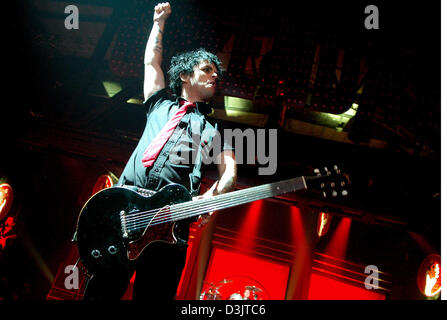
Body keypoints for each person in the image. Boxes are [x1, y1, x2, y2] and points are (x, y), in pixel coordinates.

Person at [83, 2, 237, 300]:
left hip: (169, 226)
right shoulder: (159, 104)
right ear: (184, 75)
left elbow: (229, 171)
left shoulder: (212, 130)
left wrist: (213, 195)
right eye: (207, 69)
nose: (215, 76)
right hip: (122, 212)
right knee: (100, 293)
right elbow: (151, 62)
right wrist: (158, 23)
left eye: (217, 73)